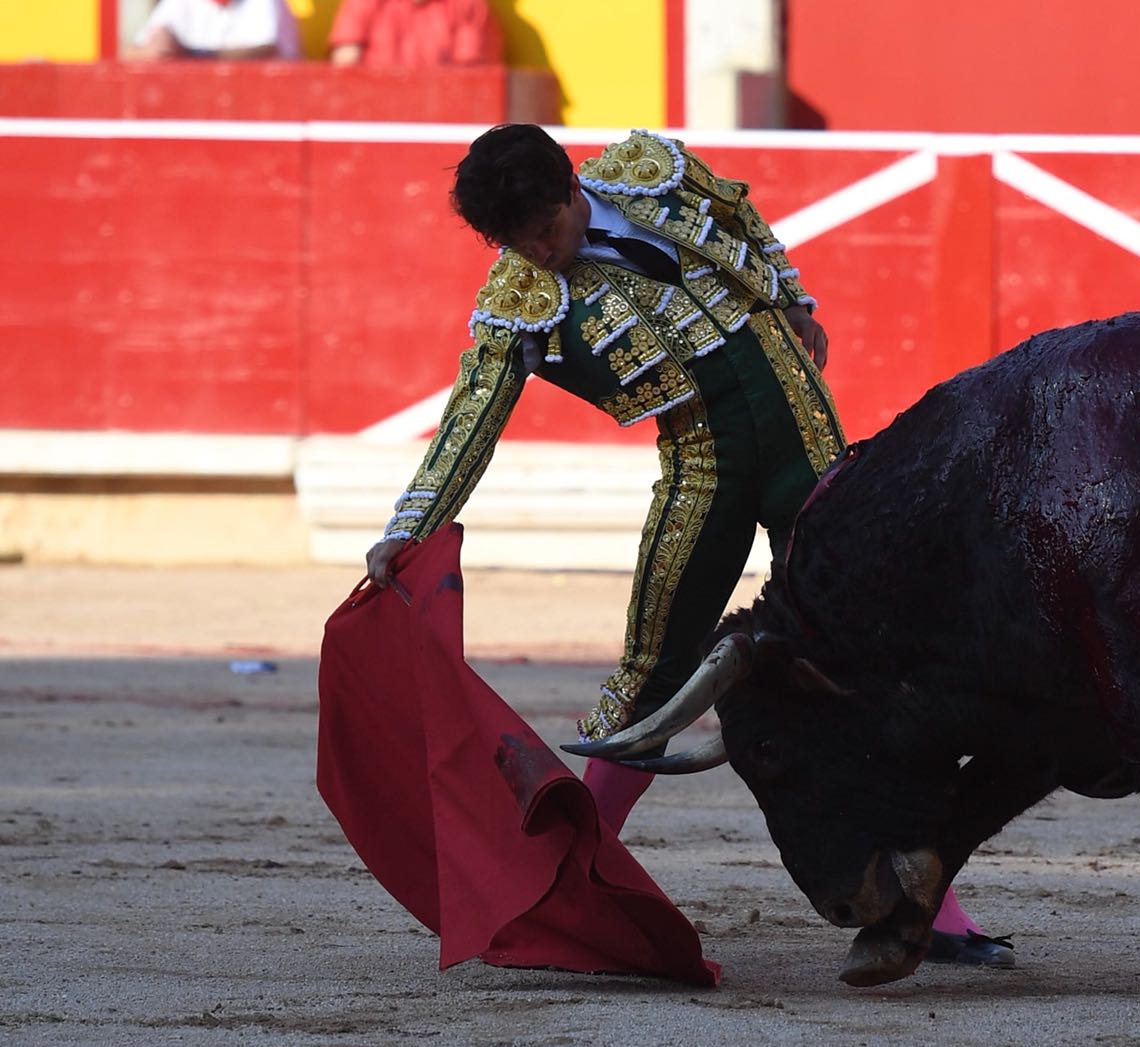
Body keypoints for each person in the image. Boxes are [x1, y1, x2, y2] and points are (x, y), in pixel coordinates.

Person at [365, 124, 1013, 968]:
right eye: (513, 242)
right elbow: (470, 420)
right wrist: (409, 525)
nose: (536, 254)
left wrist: (792, 298)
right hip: (702, 466)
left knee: (869, 661)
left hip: (805, 441)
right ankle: (571, 879)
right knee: (653, 670)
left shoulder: (652, 172)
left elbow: (743, 220)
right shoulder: (517, 301)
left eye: (545, 231)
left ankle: (936, 906)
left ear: (570, 188)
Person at [328, 0, 501, 67]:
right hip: (372, 109)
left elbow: (473, 77)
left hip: (440, 112)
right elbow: (345, 63)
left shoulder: (468, 5)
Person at [128, 0, 302, 60]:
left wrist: (193, 55)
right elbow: (132, 52)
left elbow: (265, 51)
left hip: (266, 113)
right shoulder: (178, 3)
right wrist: (152, 50)